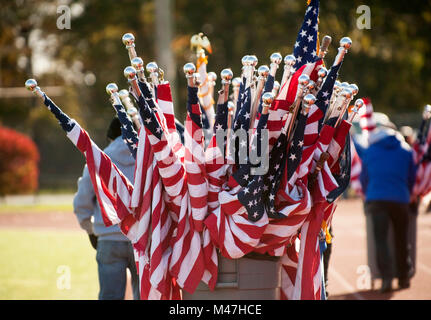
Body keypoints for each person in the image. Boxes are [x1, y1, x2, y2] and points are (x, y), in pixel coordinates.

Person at [73, 117, 140, 300]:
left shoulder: (97, 160)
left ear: (111, 137)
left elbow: (81, 203)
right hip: (142, 239)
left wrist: (91, 230)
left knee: (110, 297)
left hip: (109, 237)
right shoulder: (146, 161)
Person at [355, 104, 416, 293]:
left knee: (381, 240)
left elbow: (364, 178)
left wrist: (367, 193)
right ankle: (404, 277)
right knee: (401, 238)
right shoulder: (406, 151)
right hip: (400, 199)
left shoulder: (371, 151)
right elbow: (411, 177)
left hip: (376, 199)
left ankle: (387, 279)